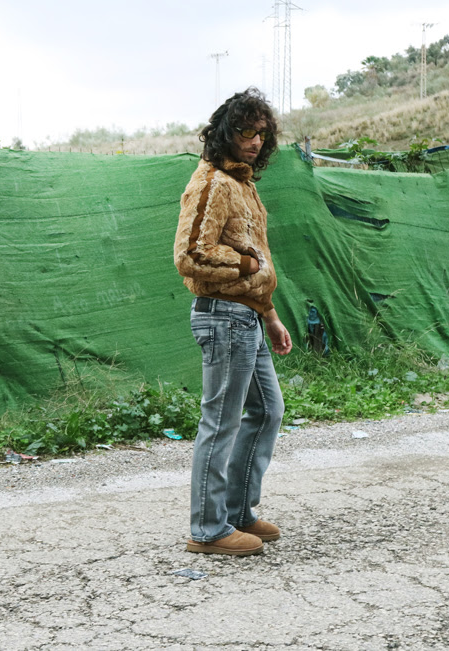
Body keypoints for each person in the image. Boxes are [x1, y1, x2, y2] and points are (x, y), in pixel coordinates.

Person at [173, 87, 292, 557]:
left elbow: (257, 258)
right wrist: (243, 267)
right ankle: (207, 530)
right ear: (224, 132)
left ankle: (238, 513)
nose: (255, 140)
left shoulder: (242, 184)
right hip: (222, 317)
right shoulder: (211, 182)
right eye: (245, 131)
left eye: (262, 133)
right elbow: (191, 254)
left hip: (248, 318)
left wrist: (271, 314)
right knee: (221, 422)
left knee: (268, 411)